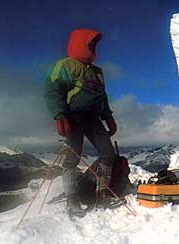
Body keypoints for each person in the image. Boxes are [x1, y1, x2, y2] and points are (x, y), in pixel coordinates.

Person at [44, 29, 119, 217]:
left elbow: (102, 97)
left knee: (108, 154)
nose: (93, 48)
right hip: (73, 117)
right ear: (80, 44)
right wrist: (60, 116)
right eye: (90, 44)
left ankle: (102, 195)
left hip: (93, 119)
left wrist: (108, 116)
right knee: (72, 159)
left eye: (94, 45)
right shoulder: (65, 65)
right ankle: (72, 200)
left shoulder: (97, 72)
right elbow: (53, 90)